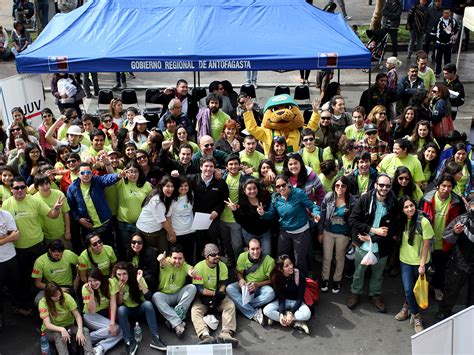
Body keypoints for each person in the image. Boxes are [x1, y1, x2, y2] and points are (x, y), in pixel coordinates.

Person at [2, 176, 63, 307]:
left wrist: (56, 208)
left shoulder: (34, 201)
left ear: (26, 188)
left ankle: (46, 301)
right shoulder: (7, 204)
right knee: (23, 277)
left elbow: (52, 215)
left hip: (37, 246)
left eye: (23, 187)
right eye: (16, 188)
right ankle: (27, 303)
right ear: (11, 189)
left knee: (40, 275)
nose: (20, 190)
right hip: (18, 248)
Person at [347, 173, 398, 312]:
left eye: (387, 186)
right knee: (359, 272)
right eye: (381, 185)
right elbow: (353, 220)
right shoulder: (365, 199)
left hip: (381, 246)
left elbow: (393, 230)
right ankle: (355, 292)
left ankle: (374, 295)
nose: (384, 188)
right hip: (362, 245)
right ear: (375, 185)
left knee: (378, 274)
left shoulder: (394, 203)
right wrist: (372, 230)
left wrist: (373, 238)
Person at [257, 175, 320, 274]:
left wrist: (317, 213)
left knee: (299, 259)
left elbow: (312, 206)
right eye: (278, 186)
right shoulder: (275, 197)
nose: (281, 188)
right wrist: (263, 214)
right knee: (281, 256)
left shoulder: (298, 193)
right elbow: (270, 214)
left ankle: (302, 279)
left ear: (288, 184)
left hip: (301, 232)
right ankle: (285, 278)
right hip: (285, 231)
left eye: (283, 185)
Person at [420, 174, 466, 302]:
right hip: (427, 241)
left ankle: (436, 287)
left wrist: (457, 230)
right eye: (443, 186)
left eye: (449, 186)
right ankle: (422, 289)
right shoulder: (426, 199)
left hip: (446, 242)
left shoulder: (457, 202)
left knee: (440, 267)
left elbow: (463, 218)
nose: (446, 189)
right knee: (424, 265)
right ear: (437, 186)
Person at [394, 196, 433, 333]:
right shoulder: (401, 221)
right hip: (405, 260)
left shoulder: (423, 222)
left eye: (411, 205)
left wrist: (422, 264)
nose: (409, 209)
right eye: (406, 207)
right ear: (402, 209)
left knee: (415, 290)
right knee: (408, 289)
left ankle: (407, 307)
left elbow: (426, 245)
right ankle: (416, 315)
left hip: (420, 263)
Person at [112, 261, 167, 353]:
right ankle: (129, 341)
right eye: (119, 274)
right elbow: (119, 304)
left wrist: (139, 282)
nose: (122, 277)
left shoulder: (138, 278)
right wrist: (121, 292)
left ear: (129, 273)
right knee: (121, 309)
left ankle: (155, 338)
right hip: (128, 312)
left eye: (124, 274)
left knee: (148, 304)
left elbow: (149, 297)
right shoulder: (114, 282)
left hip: (140, 309)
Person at [191, 243, 238, 346]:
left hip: (218, 295)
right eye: (213, 255)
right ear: (206, 257)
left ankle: (226, 333)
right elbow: (199, 288)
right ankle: (205, 335)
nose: (216, 256)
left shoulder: (222, 266)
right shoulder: (198, 267)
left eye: (218, 254)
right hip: (203, 296)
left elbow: (223, 282)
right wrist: (214, 293)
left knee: (230, 305)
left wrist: (220, 293)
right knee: (195, 310)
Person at [436, 201, 474, 321]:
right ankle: (443, 313)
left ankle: (470, 317)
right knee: (452, 290)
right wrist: (455, 232)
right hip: (460, 263)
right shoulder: (462, 220)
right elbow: (445, 236)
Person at [66, 162, 121, 244]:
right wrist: (79, 219)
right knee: (92, 250)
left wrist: (118, 176)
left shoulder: (97, 181)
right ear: (78, 174)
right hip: (88, 227)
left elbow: (107, 178)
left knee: (109, 247)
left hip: (105, 224)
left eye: (88, 172)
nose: (86, 175)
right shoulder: (72, 188)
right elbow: (71, 207)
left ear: (92, 173)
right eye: (82, 173)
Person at [319, 176, 356, 294]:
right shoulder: (329, 197)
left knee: (339, 258)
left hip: (343, 234)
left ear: (347, 187)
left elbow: (355, 221)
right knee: (327, 257)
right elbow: (322, 215)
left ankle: (337, 280)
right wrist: (320, 232)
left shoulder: (352, 201)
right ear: (334, 186)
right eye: (337, 185)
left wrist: (353, 237)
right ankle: (325, 279)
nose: (340, 188)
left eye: (343, 186)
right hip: (328, 231)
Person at [226, 238, 275, 324]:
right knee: (229, 288)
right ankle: (253, 313)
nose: (255, 252)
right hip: (246, 285)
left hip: (260, 286)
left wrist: (257, 285)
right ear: (248, 249)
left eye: (257, 248)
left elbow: (272, 280)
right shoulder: (242, 256)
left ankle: (241, 306)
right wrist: (241, 279)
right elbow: (239, 272)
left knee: (270, 293)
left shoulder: (269, 260)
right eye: (252, 249)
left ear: (261, 248)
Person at [152, 245, 197, 337]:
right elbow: (163, 262)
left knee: (192, 287)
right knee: (156, 296)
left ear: (184, 259)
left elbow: (190, 270)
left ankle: (172, 319)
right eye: (174, 258)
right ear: (170, 258)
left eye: (180, 258)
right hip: (165, 295)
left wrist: (192, 273)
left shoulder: (185, 265)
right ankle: (178, 323)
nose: (177, 261)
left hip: (178, 294)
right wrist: (161, 259)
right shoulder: (166, 262)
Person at [189, 157, 229, 257]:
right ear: (201, 167)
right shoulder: (192, 179)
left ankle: (214, 266)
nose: (208, 169)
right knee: (199, 244)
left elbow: (224, 200)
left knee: (213, 245)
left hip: (213, 219)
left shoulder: (220, 183)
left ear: (214, 168)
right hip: (197, 219)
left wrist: (217, 211)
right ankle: (199, 266)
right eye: (206, 166)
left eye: (211, 166)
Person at [38, 282, 94, 355]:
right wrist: (62, 329)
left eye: (59, 294)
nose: (58, 297)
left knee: (84, 330)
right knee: (58, 335)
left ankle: (89, 353)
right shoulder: (43, 303)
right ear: (49, 297)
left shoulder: (66, 297)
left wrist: (79, 330)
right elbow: (48, 325)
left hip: (68, 326)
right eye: (55, 296)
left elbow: (77, 315)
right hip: (51, 330)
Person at [263, 254, 311, 334]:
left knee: (307, 314)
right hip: (283, 302)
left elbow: (300, 298)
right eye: (286, 266)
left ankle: (280, 319)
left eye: (291, 264)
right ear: (280, 269)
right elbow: (281, 298)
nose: (290, 267)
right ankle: (295, 322)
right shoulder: (277, 278)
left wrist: (291, 313)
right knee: (266, 310)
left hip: (296, 302)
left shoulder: (300, 276)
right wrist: (281, 313)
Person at [81, 267, 122, 355]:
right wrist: (91, 293)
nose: (93, 283)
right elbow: (92, 310)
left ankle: (99, 347)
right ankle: (85, 339)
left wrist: (112, 323)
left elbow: (113, 304)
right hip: (90, 316)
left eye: (95, 280)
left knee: (120, 331)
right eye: (90, 281)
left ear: (100, 278)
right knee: (116, 330)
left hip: (104, 314)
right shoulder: (85, 288)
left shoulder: (110, 283)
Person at [116, 162, 153, 258]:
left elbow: (152, 203)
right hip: (124, 224)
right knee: (127, 249)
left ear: (140, 172)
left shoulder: (146, 185)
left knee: (141, 248)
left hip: (141, 224)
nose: (133, 174)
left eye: (136, 171)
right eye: (130, 172)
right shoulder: (121, 183)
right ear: (126, 173)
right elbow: (112, 173)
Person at [228, 179, 273, 255]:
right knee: (254, 255)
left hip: (264, 232)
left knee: (266, 253)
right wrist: (235, 210)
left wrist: (263, 213)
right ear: (244, 191)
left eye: (254, 188)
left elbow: (271, 214)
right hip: (249, 233)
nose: (252, 191)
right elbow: (240, 221)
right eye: (249, 189)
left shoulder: (265, 198)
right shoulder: (242, 203)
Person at [136, 176, 176, 253]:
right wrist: (172, 233)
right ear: (161, 186)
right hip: (146, 231)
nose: (170, 189)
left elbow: (168, 216)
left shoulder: (168, 197)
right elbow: (163, 221)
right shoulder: (156, 200)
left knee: (164, 253)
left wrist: (169, 232)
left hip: (159, 229)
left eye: (172, 186)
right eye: (167, 186)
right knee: (152, 254)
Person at [33, 174, 71, 246]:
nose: (45, 187)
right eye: (42, 185)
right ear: (37, 187)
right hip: (46, 236)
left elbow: (66, 213)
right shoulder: (34, 199)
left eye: (47, 183)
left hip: (62, 233)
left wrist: (68, 231)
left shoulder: (59, 194)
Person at [434, 8, 459, 77]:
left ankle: (447, 72)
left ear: (450, 13)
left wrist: (453, 33)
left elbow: (457, 28)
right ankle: (438, 72)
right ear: (442, 13)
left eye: (448, 13)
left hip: (448, 44)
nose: (446, 14)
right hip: (440, 43)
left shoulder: (453, 21)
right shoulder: (439, 21)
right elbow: (439, 33)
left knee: (448, 59)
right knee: (438, 59)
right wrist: (448, 34)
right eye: (445, 13)